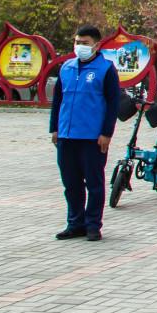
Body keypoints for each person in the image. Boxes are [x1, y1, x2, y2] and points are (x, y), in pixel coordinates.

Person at [49, 25, 121, 241]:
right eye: (77, 42)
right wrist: (54, 128)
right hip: (67, 136)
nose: (80, 46)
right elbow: (58, 101)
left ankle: (92, 225)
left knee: (94, 184)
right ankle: (75, 223)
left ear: (97, 45)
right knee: (71, 184)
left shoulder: (106, 69)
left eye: (85, 43)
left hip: (92, 137)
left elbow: (112, 103)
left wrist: (106, 133)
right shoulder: (66, 68)